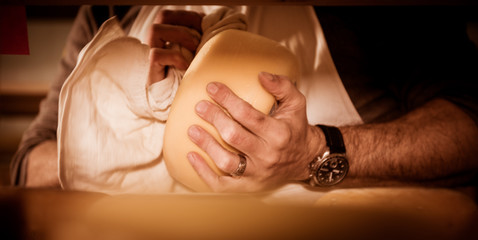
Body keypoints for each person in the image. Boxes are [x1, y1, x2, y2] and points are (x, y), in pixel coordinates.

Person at [11, 6, 478, 198]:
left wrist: (315, 152)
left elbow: (470, 125)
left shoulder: (364, 12)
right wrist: (133, 116)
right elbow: (27, 168)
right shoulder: (106, 13)